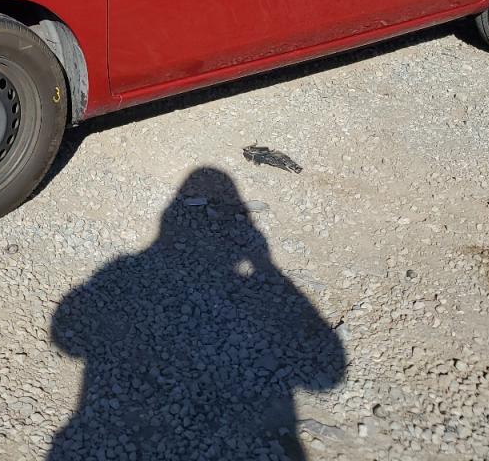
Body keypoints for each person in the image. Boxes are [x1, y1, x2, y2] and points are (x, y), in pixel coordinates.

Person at [48, 166, 346, 460]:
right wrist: (266, 267)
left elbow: (65, 334)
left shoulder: (122, 269)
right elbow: (328, 374)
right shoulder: (131, 271)